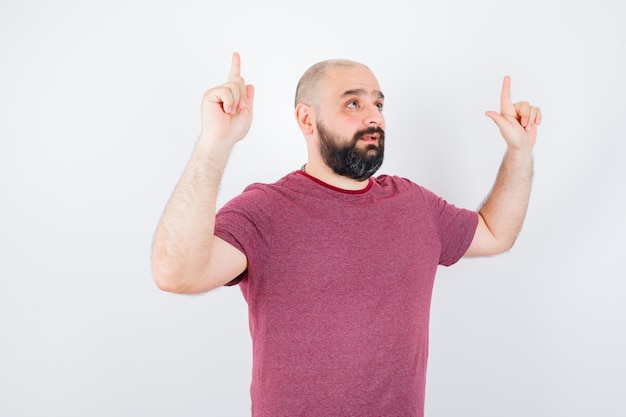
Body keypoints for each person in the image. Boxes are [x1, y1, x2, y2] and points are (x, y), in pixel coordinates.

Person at [151, 52, 541, 416]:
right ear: (306, 120)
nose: (374, 117)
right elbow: (176, 272)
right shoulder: (265, 210)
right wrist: (214, 143)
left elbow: (494, 233)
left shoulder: (414, 205)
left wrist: (520, 151)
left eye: (378, 104)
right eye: (353, 103)